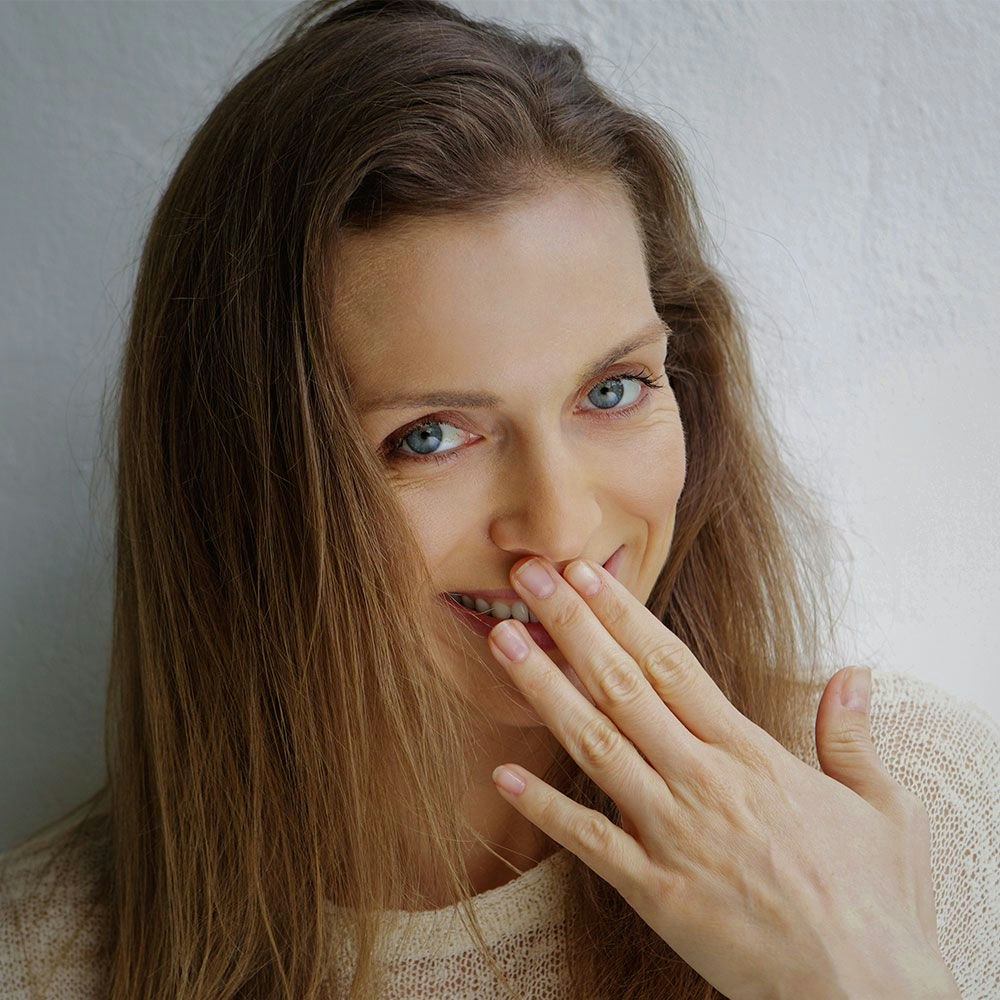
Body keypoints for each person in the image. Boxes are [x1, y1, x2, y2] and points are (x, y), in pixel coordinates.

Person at [1, 1, 997, 997]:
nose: (562, 529)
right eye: (429, 436)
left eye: (612, 389)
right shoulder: (43, 965)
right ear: (244, 486)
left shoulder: (917, 815)